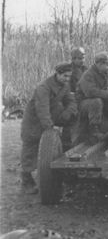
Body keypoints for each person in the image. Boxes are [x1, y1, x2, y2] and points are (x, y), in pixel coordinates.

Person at [19, 63, 78, 194]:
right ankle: (26, 181)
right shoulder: (43, 88)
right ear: (57, 74)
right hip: (34, 121)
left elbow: (71, 101)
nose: (67, 79)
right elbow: (42, 109)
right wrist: (49, 128)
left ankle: (67, 146)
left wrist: (68, 112)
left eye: (69, 76)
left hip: (51, 115)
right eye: (64, 76)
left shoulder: (64, 85)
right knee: (31, 148)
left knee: (72, 117)